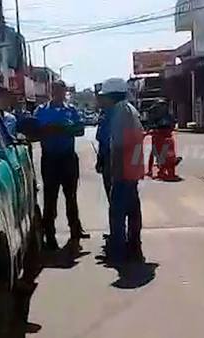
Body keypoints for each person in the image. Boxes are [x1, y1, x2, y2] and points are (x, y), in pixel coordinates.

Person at [34, 80, 90, 250]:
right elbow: (35, 131)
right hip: (50, 159)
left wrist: (62, 129)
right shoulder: (41, 111)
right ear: (51, 91)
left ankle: (75, 229)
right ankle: (49, 235)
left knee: (71, 196)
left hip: (68, 158)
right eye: (55, 90)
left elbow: (80, 130)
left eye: (61, 91)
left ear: (65, 92)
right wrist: (49, 130)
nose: (58, 93)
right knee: (50, 198)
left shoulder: (71, 110)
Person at [96, 77, 145, 263]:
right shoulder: (128, 109)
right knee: (132, 209)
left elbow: (118, 146)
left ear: (112, 96)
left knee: (117, 211)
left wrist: (118, 172)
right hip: (130, 168)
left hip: (123, 168)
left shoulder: (120, 112)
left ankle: (119, 251)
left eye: (104, 96)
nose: (102, 100)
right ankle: (133, 245)